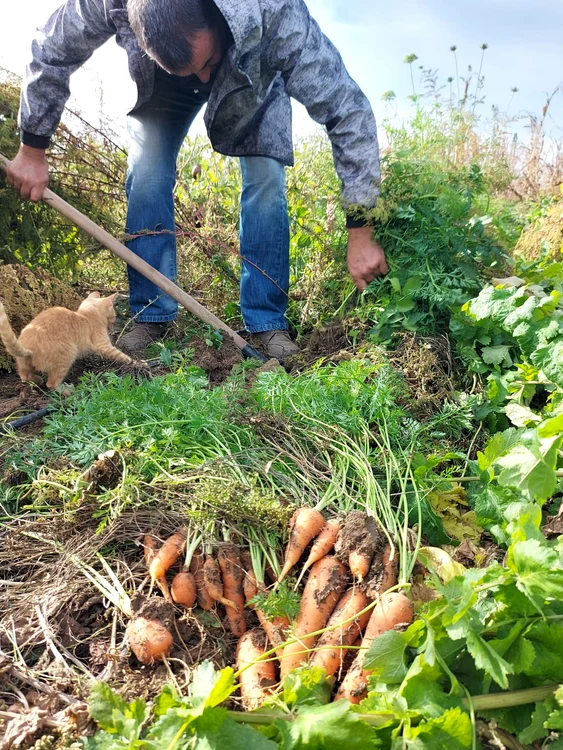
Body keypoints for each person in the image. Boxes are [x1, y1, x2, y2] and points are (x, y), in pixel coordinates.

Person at [7, 0, 388, 360]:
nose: (203, 79)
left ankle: (267, 322)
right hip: (162, 87)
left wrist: (361, 229)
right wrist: (33, 147)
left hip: (250, 81)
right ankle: (152, 314)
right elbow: (51, 48)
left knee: (265, 180)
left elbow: (347, 110)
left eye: (206, 62)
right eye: (191, 68)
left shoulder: (274, 13)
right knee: (147, 173)